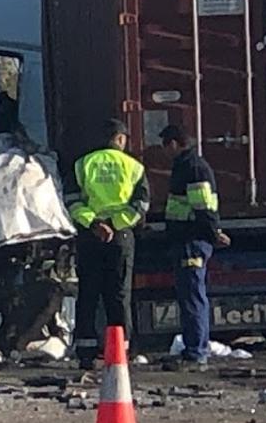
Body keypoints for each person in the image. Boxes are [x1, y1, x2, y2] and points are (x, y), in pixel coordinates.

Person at [64, 119, 150, 370]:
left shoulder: (83, 164)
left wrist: (95, 224)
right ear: (120, 139)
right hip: (120, 237)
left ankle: (86, 352)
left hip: (91, 236)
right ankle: (119, 353)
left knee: (88, 293)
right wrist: (115, 224)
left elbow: (71, 201)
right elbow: (141, 205)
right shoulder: (133, 166)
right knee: (119, 295)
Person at [160, 124, 229, 371]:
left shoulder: (193, 168)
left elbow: (203, 207)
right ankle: (194, 350)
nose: (165, 152)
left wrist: (213, 233)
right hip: (187, 239)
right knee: (190, 296)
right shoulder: (188, 166)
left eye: (166, 146)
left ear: (175, 144)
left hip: (191, 241)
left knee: (192, 297)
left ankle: (196, 353)